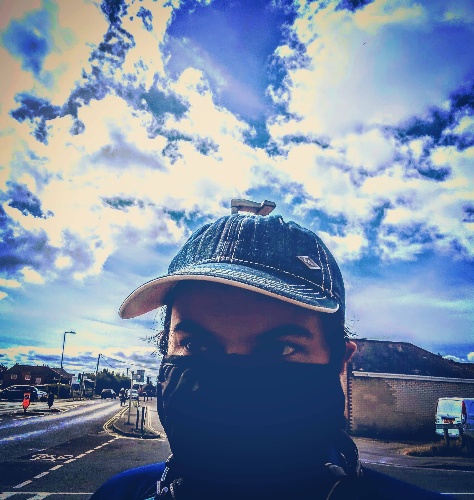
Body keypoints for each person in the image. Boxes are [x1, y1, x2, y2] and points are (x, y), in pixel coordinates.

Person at [92, 206, 451, 499]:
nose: (232, 390)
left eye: (280, 348)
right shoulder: (120, 495)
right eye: (198, 345)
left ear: (339, 362)